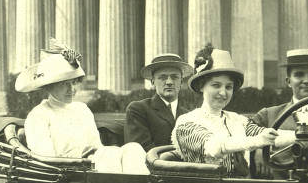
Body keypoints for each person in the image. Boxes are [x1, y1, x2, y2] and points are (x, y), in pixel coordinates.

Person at [15, 39, 148, 174]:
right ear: (49, 86)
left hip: (94, 164)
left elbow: (97, 146)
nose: (71, 89)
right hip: (67, 172)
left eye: (73, 83)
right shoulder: (39, 115)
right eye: (64, 84)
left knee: (133, 148)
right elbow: (46, 159)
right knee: (107, 157)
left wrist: (98, 155)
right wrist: (86, 156)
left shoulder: (82, 109)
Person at [171, 46, 281, 175]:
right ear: (201, 86)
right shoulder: (187, 122)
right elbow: (215, 147)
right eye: (216, 85)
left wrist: (302, 135)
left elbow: (270, 135)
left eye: (229, 87)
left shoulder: (237, 120)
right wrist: (258, 141)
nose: (223, 93)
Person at [124, 53, 195, 151]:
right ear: (153, 82)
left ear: (181, 82)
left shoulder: (189, 115)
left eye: (174, 77)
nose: (169, 82)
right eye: (163, 77)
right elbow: (139, 150)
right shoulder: (138, 110)